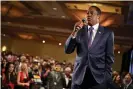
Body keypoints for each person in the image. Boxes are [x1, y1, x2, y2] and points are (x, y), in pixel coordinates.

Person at [65, 6, 114, 89]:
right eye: (87, 13)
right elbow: (68, 50)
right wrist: (74, 32)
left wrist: (106, 79)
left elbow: (109, 58)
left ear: (98, 16)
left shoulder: (108, 33)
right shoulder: (80, 31)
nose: (88, 15)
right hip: (79, 79)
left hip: (98, 80)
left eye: (91, 13)